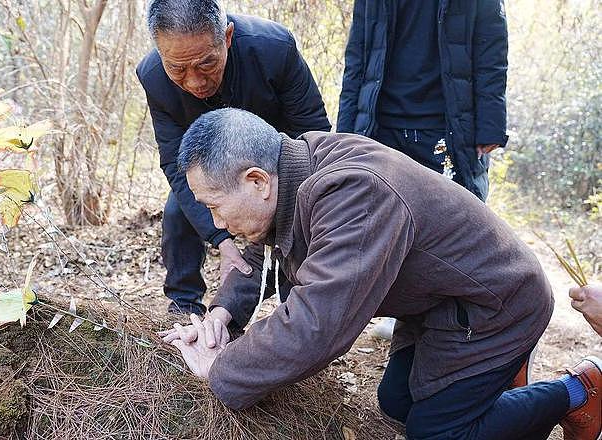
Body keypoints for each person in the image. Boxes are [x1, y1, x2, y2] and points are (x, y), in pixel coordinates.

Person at [164, 108, 601, 440]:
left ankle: (579, 391)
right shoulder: (293, 171)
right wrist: (223, 313)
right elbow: (266, 253)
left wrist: (221, 368)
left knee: (434, 433)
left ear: (257, 181)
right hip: (442, 301)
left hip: (496, 304)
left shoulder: (354, 191)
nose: (217, 224)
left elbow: (319, 323)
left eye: (215, 206)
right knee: (396, 402)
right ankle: (495, 385)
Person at [137, 0, 330, 315]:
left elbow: (314, 132)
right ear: (161, 54)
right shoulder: (153, 77)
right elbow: (174, 163)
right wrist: (223, 243)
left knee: (294, 217)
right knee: (177, 210)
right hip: (210, 166)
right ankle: (184, 305)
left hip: (279, 162)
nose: (194, 82)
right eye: (178, 69)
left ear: (226, 37)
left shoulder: (273, 49)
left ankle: (298, 306)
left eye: (206, 64)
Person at [337, 0, 509, 202]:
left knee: (450, 226)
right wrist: (345, 134)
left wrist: (490, 126)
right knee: (377, 227)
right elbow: (358, 54)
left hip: (448, 132)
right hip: (380, 130)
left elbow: (491, 50)